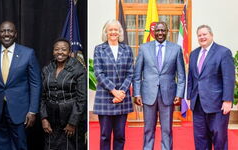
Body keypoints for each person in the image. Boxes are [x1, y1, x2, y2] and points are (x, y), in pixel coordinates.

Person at [0, 21, 41, 150]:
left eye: (9, 31)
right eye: (3, 31)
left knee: (20, 145)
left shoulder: (28, 53)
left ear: (15, 34)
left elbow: (35, 83)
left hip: (20, 111)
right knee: (1, 145)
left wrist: (33, 110)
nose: (6, 34)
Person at [133, 22, 185, 150]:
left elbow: (182, 75)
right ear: (153, 32)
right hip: (148, 94)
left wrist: (179, 94)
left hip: (168, 95)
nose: (160, 33)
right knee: (148, 129)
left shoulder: (176, 49)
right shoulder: (144, 48)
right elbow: (137, 73)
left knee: (167, 129)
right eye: (157, 31)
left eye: (163, 30)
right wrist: (137, 93)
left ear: (167, 31)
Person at [187, 25, 235, 150]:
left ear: (211, 35)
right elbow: (191, 77)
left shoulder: (223, 52)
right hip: (197, 104)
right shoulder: (194, 54)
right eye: (199, 35)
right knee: (200, 138)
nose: (202, 37)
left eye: (204, 34)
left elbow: (228, 78)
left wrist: (228, 100)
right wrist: (188, 97)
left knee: (219, 138)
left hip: (217, 104)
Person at [93, 19, 133, 150]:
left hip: (122, 98)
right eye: (110, 30)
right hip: (105, 98)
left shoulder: (127, 49)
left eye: (116, 29)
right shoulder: (99, 49)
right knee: (105, 135)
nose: (113, 32)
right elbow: (98, 73)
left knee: (120, 135)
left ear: (120, 32)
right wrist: (113, 91)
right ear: (106, 32)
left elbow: (130, 72)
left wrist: (121, 93)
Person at [40, 38, 86, 150]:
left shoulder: (78, 69)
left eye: (64, 49)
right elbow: (42, 96)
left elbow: (81, 98)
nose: (60, 52)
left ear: (70, 52)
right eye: (57, 49)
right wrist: (44, 118)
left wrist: (72, 122)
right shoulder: (47, 69)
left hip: (70, 119)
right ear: (53, 52)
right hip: (51, 120)